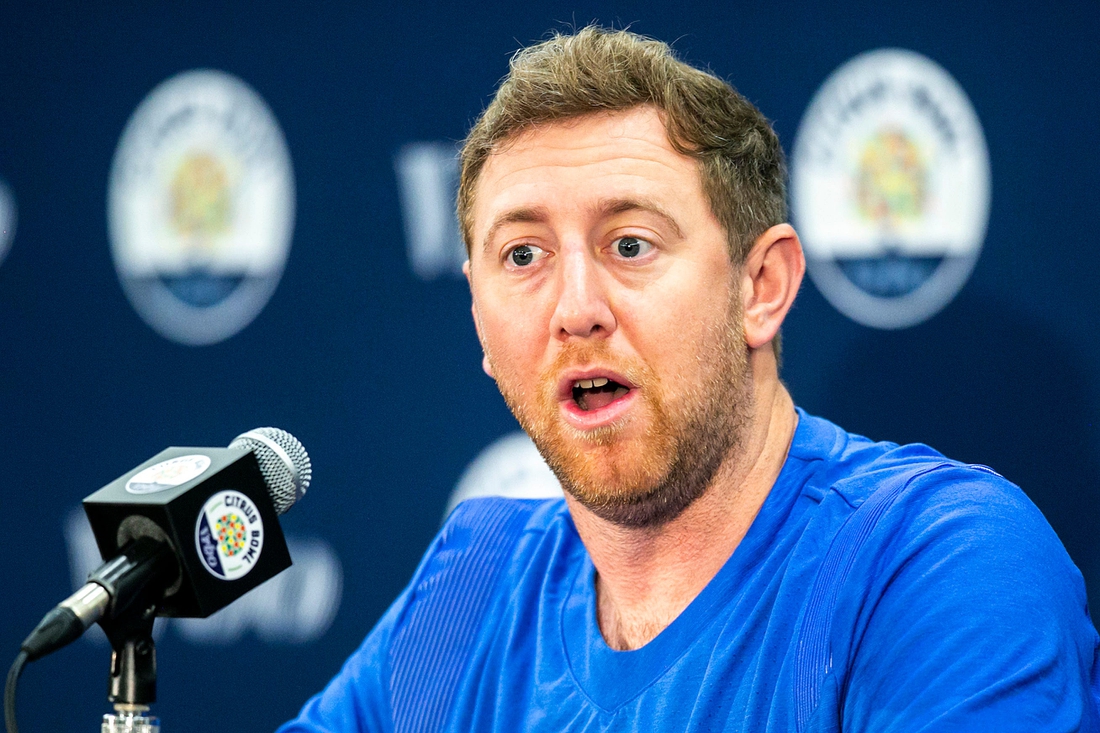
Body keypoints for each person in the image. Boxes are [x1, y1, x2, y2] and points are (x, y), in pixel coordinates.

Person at [280, 26, 1099, 731]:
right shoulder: (472, 579)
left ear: (761, 286)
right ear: (479, 323)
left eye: (629, 243)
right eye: (523, 255)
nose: (574, 308)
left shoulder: (933, 563)